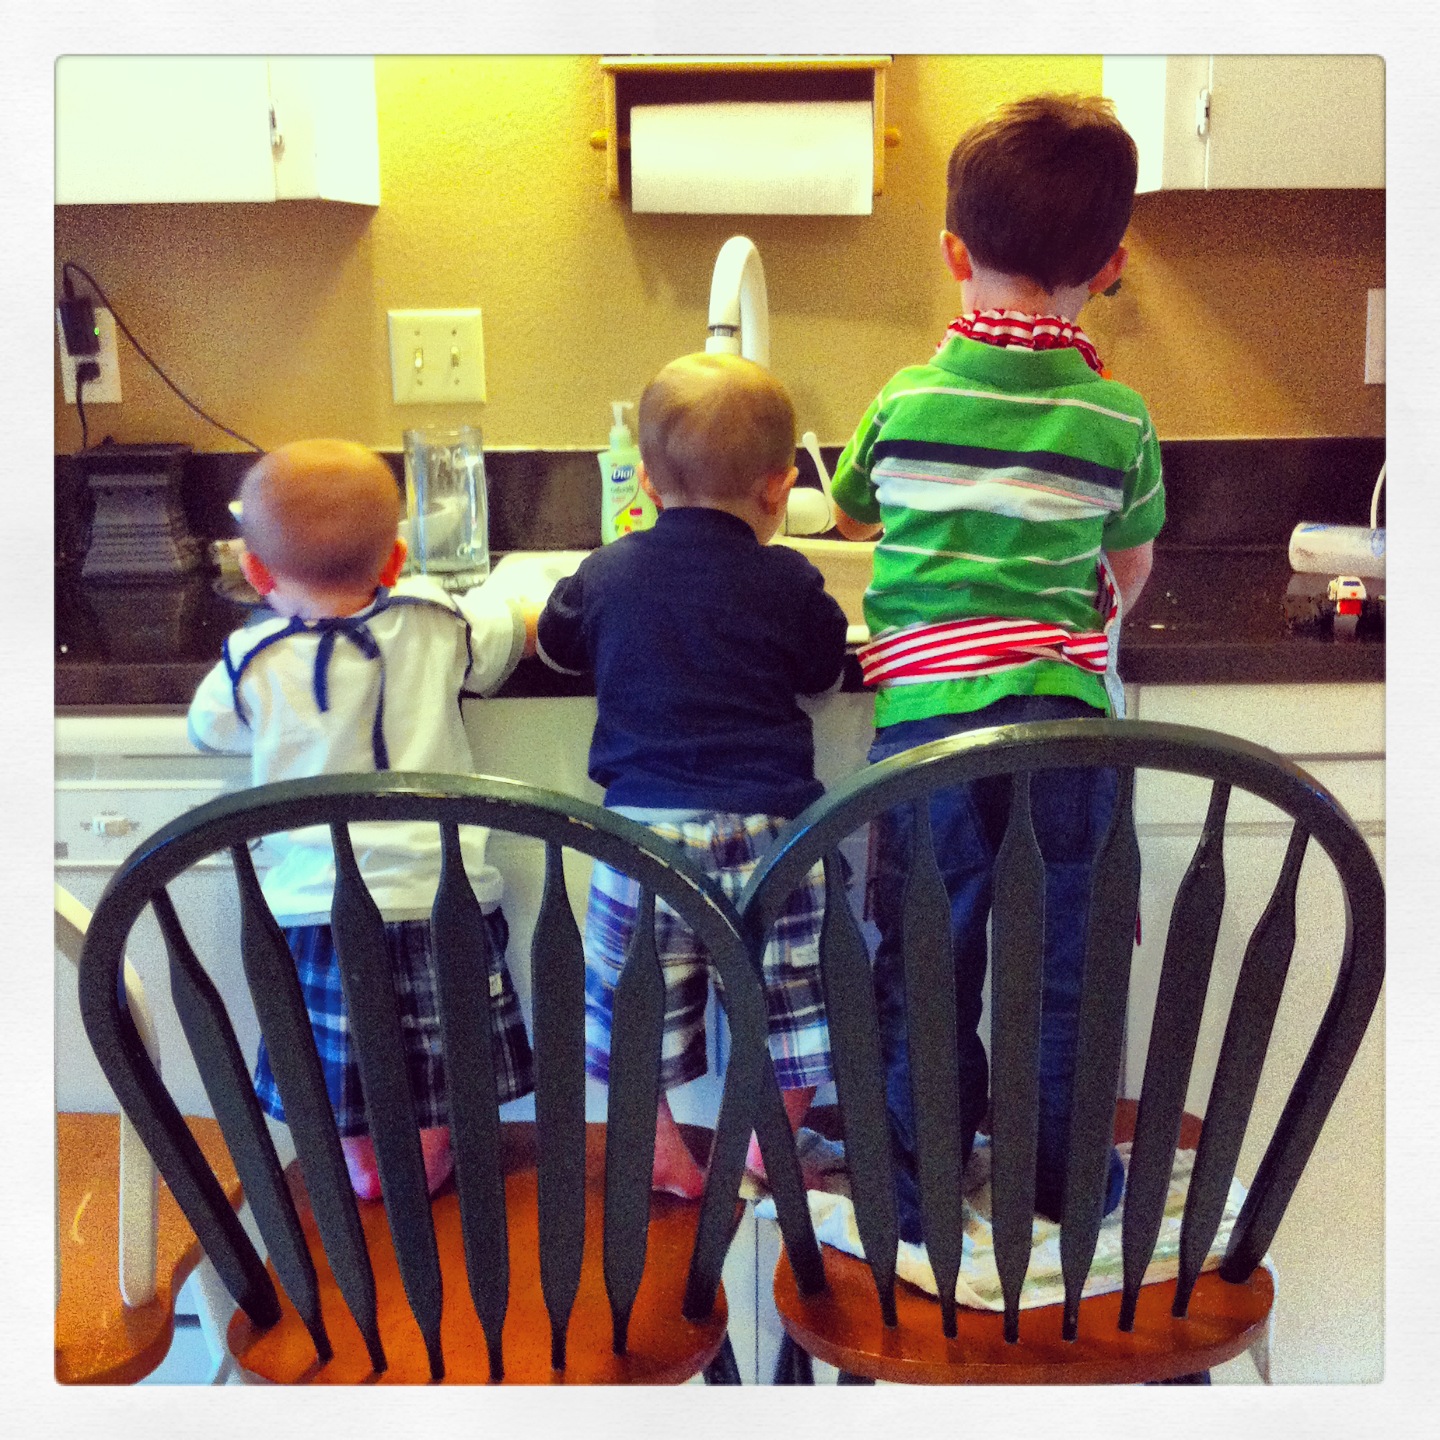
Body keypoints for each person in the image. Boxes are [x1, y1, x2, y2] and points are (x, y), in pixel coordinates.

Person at [829, 93, 1166, 1240]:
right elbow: (1129, 567)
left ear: (952, 254)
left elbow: (852, 511)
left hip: (927, 736)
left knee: (926, 966)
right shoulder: (1118, 418)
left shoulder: (906, 398)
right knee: (1063, 971)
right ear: (1110, 268)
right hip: (1064, 730)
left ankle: (919, 1194)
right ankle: (1060, 1187)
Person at [188, 439, 537, 1202]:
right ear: (396, 559)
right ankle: (433, 1152)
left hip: (318, 906)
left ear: (256, 573)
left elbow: (208, 728)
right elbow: (509, 632)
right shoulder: (436, 617)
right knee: (445, 1056)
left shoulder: (252, 658)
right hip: (441, 895)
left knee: (337, 1053)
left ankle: (363, 1165)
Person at [536, 353, 850, 1197]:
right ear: (780, 489)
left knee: (635, 1001)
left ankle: (660, 1147)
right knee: (797, 1001)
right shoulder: (788, 577)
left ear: (644, 479)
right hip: (773, 829)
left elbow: (556, 645)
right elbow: (824, 668)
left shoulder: (610, 570)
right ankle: (766, 1149)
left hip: (646, 834)